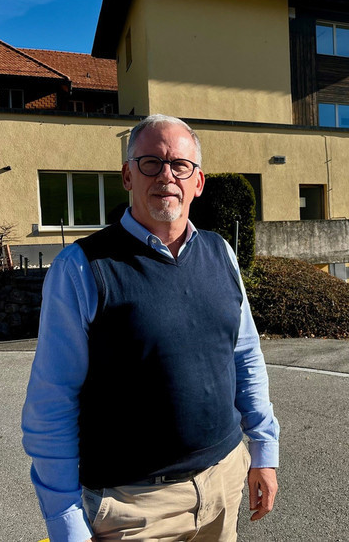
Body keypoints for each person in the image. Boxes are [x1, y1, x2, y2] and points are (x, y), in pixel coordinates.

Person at [22, 114, 279, 542]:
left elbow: (245, 357)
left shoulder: (221, 254)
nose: (166, 175)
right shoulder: (82, 268)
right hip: (133, 511)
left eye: (181, 165)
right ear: (127, 175)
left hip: (223, 485)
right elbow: (52, 403)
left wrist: (263, 452)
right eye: (150, 163)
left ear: (198, 181)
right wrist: (65, 523)